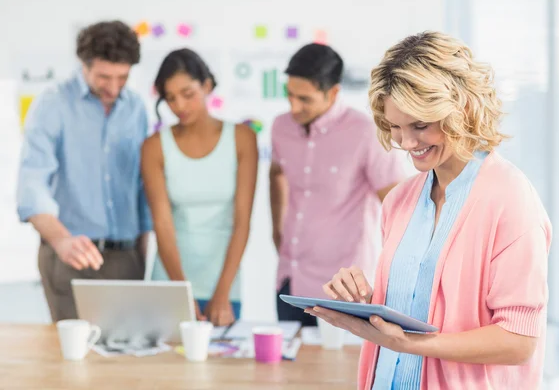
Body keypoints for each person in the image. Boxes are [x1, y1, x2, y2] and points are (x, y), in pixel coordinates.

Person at [308, 31, 552, 389]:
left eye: (420, 126)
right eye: (395, 127)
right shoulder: (400, 200)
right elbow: (422, 309)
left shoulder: (511, 200)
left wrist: (410, 344)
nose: (406, 143)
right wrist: (365, 302)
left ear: (462, 108)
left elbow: (518, 342)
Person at [16, 21, 152, 322]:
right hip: (69, 256)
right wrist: (62, 240)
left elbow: (142, 186)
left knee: (128, 361)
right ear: (84, 65)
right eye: (104, 76)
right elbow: (32, 185)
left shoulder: (136, 108)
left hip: (127, 259)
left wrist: (142, 254)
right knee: (77, 360)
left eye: (122, 77)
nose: (113, 87)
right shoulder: (53, 104)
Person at [270, 43, 406, 326]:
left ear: (332, 93)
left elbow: (398, 206)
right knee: (288, 369)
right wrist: (277, 230)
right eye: (290, 96)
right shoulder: (280, 127)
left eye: (305, 99)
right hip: (290, 281)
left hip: (344, 289)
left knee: (340, 370)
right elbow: (276, 173)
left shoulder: (365, 132)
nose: (294, 107)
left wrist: (393, 279)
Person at [142, 48, 258, 327]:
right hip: (169, 283)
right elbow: (163, 226)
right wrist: (182, 293)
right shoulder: (154, 147)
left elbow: (242, 222)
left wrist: (222, 293)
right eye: (170, 98)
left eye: (187, 93)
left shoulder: (242, 139)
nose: (179, 105)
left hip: (224, 285)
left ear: (206, 86)